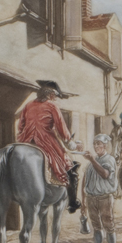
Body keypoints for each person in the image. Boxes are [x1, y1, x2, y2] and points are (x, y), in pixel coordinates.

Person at [16, 80, 81, 213]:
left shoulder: (28, 105)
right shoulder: (52, 106)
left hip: (26, 140)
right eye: (56, 95)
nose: (56, 98)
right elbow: (62, 129)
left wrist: (24, 135)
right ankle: (73, 201)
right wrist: (71, 143)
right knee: (68, 165)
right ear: (51, 94)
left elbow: (20, 126)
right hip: (45, 140)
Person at [82, 134, 120, 243]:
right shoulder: (91, 164)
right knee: (97, 228)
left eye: (99, 144)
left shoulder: (109, 160)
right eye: (95, 144)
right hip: (91, 198)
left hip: (105, 198)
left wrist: (92, 160)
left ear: (105, 145)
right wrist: (83, 202)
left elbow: (105, 174)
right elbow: (85, 181)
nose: (96, 146)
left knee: (109, 227)